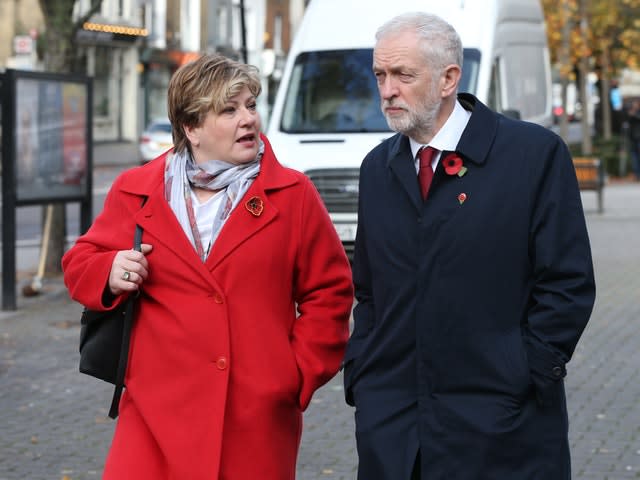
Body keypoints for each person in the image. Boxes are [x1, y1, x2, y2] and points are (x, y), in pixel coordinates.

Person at [62, 53, 354, 480]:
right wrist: (110, 270)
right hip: (154, 414)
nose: (248, 120)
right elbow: (79, 263)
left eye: (251, 105)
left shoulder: (293, 194)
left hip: (253, 417)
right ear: (191, 128)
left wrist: (292, 376)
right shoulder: (137, 191)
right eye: (229, 110)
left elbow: (329, 293)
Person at [342, 12, 596, 479]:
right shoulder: (377, 169)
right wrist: (364, 377)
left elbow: (568, 284)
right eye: (380, 74)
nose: (387, 90)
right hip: (395, 430)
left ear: (448, 79)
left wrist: (524, 371)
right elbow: (371, 290)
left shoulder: (532, 155)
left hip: (502, 428)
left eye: (403, 75)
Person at [625, 98, 640, 180]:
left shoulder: (636, 114)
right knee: (634, 158)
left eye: (635, 104)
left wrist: (634, 114)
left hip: (639, 139)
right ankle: (637, 174)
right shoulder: (631, 113)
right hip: (632, 139)